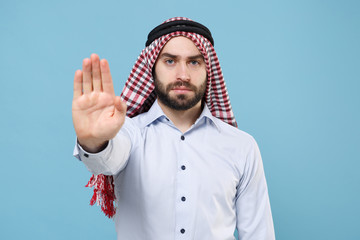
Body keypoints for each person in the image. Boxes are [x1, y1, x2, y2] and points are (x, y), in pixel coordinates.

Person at [72, 17, 275, 240]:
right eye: (170, 61)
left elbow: (259, 235)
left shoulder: (241, 146)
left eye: (194, 62)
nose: (183, 75)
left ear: (209, 70)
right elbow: (106, 159)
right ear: (152, 69)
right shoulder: (129, 135)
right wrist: (93, 141)